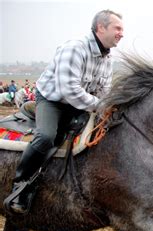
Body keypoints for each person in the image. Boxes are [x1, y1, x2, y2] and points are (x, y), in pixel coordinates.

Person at [4, 10, 124, 214]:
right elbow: (70, 91)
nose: (122, 33)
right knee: (46, 137)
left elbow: (103, 90)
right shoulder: (74, 49)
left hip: (81, 103)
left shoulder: (108, 58)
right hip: (54, 100)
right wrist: (101, 105)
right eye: (118, 28)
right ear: (101, 28)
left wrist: (109, 106)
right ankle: (21, 185)